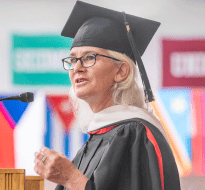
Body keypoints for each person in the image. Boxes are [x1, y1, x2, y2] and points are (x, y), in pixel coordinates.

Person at [33, 1, 181, 190]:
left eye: (89, 57)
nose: (76, 67)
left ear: (121, 71)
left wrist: (72, 179)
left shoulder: (136, 134)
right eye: (72, 60)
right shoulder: (96, 138)